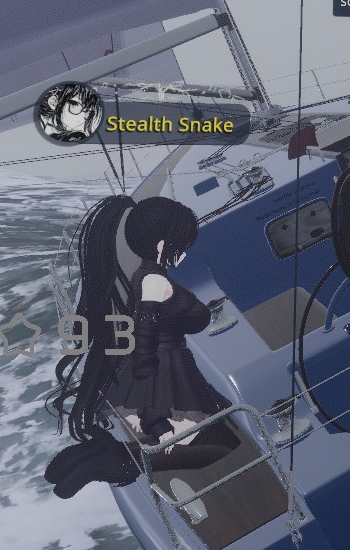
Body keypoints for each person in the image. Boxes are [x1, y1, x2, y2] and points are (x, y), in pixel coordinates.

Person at [47, 195, 234, 498]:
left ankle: (95, 455)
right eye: (181, 244)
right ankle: (118, 463)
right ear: (162, 244)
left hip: (170, 366)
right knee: (218, 446)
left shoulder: (146, 276)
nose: (183, 253)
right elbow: (145, 337)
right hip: (165, 370)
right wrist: (151, 400)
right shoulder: (154, 283)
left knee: (216, 429)